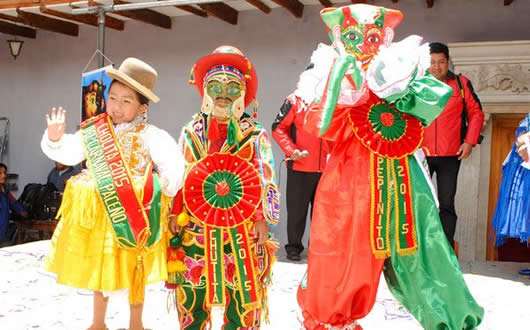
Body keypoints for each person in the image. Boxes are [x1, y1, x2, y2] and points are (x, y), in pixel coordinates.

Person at [294, 4, 484, 329]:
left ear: (385, 39)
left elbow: (430, 105)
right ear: (341, 39)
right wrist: (340, 82)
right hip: (350, 182)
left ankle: (453, 320)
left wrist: (397, 85)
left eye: (372, 37)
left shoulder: (399, 72)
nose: (365, 45)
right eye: (354, 37)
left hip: (405, 180)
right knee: (342, 254)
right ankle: (332, 319)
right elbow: (320, 124)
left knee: (426, 251)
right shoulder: (332, 79)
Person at [40, 57, 185, 330]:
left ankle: (136, 324)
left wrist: (157, 192)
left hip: (134, 215)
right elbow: (71, 152)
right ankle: (97, 323)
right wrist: (56, 138)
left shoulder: (151, 135)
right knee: (100, 268)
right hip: (101, 215)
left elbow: (174, 166)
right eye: (113, 97)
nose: (116, 106)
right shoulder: (96, 132)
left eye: (126, 101)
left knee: (134, 270)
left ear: (143, 107)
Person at [165, 45, 280, 329]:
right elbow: (181, 173)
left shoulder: (254, 135)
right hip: (195, 228)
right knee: (192, 295)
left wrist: (262, 217)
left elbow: (265, 175)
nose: (223, 93)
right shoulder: (192, 132)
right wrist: (173, 212)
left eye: (232, 86)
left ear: (243, 93)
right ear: (205, 91)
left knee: (242, 297)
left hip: (241, 230)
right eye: (215, 85)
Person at [422, 42, 485, 248]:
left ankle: (446, 249)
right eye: (432, 62)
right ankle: (421, 247)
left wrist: (469, 142)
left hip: (451, 155)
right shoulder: (417, 83)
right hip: (421, 155)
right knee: (420, 203)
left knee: (446, 204)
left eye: (441, 62)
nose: (436, 66)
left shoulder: (460, 83)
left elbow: (476, 113)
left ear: (448, 62)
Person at [272, 84, 331, 262]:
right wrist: (291, 150)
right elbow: (278, 127)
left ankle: (318, 247)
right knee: (297, 210)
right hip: (300, 164)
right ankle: (293, 247)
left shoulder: (332, 102)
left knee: (322, 211)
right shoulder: (294, 101)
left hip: (326, 166)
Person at [491, 113, 529, 248]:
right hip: (525, 173)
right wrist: (523, 139)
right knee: (526, 214)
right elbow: (520, 143)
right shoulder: (527, 120)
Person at [0, 163, 28, 241]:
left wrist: (22, 211)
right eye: (0, 173)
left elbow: (13, 202)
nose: (3, 176)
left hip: (3, 228)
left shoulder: (5, 189)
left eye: (4, 172)